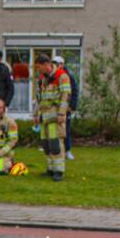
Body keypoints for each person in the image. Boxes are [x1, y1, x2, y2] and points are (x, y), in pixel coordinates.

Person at [35, 53, 71, 181]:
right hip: (44, 117)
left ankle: (59, 171)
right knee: (46, 145)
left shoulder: (61, 76)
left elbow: (65, 96)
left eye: (39, 67)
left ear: (46, 64)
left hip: (55, 117)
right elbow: (40, 99)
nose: (38, 70)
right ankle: (50, 169)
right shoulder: (43, 79)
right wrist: (36, 115)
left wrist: (62, 113)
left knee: (56, 144)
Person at [54, 55, 78, 160]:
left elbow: (74, 92)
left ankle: (67, 150)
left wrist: (71, 106)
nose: (55, 66)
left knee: (66, 129)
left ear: (62, 64)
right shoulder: (52, 75)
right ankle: (56, 150)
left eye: (57, 64)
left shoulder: (69, 76)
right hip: (55, 107)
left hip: (66, 108)